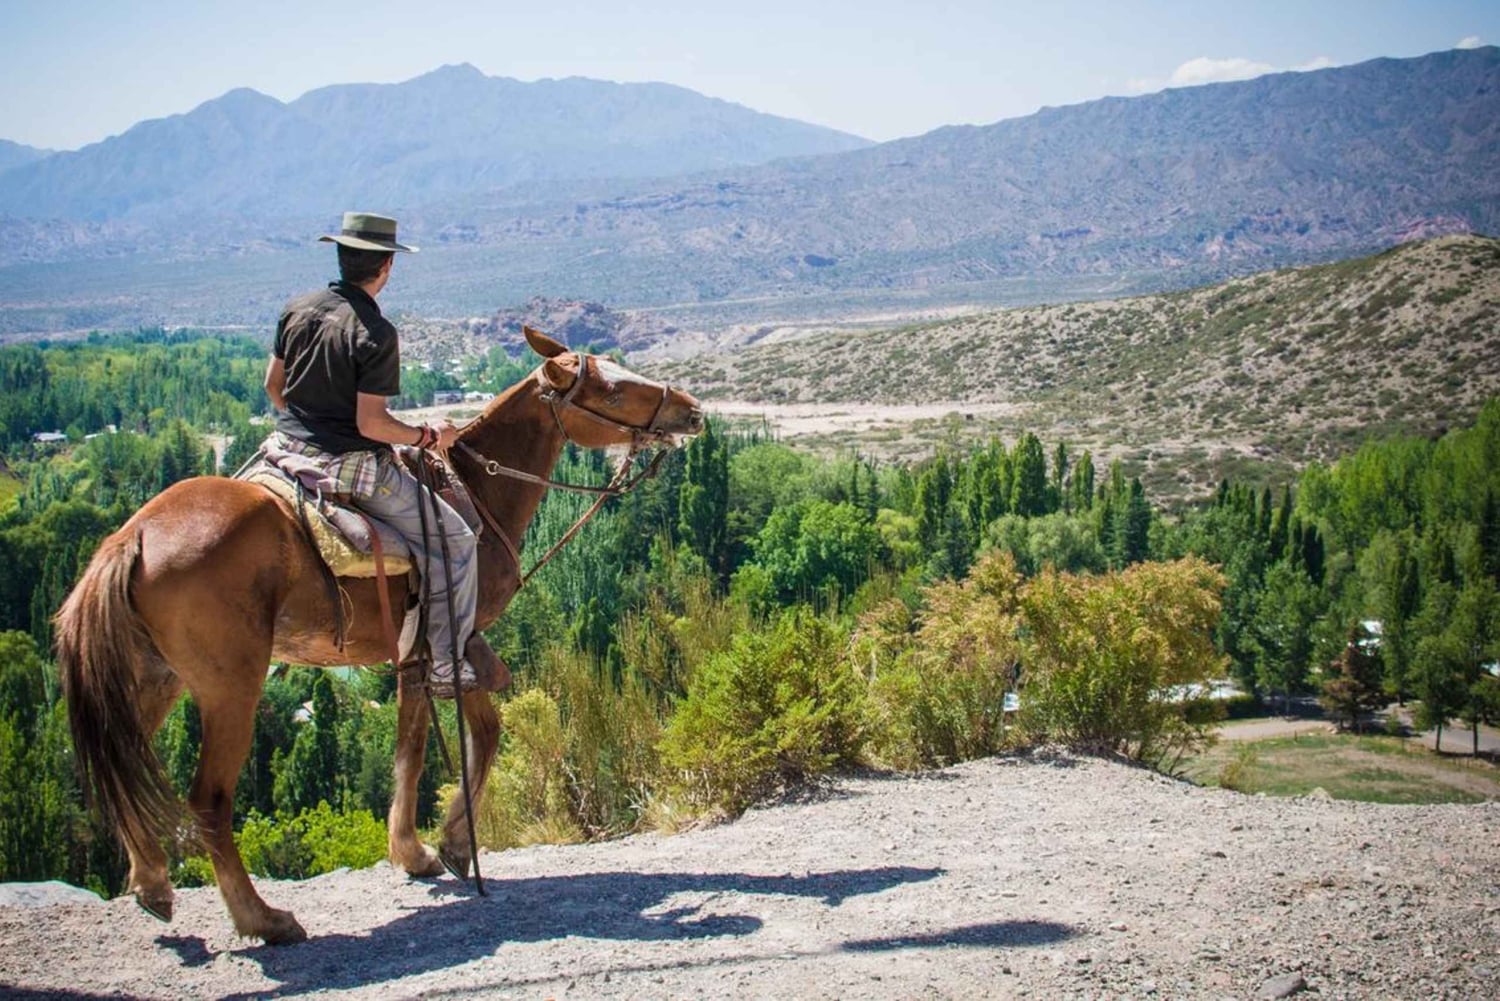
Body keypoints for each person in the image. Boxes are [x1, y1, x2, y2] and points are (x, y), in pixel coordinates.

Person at [263, 211, 497, 696]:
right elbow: (372, 425)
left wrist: (306, 427)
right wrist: (428, 436)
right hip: (348, 466)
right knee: (454, 541)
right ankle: (445, 666)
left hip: (284, 451)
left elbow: (273, 387)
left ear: (342, 257)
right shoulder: (375, 332)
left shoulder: (297, 308)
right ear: (386, 266)